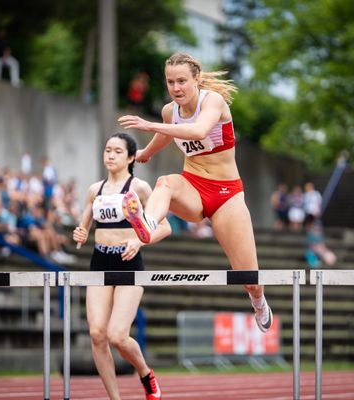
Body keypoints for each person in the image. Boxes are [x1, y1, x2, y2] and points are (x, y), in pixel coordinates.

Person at [117, 52, 274, 333]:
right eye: (170, 82)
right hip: (193, 188)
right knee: (166, 182)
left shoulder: (212, 101)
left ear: (196, 79)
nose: (176, 88)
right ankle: (147, 224)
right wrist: (144, 153)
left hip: (227, 195)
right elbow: (167, 135)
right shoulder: (170, 111)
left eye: (181, 81)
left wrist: (148, 124)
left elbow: (199, 131)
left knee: (249, 277)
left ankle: (258, 298)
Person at [72, 133, 171, 400]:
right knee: (97, 334)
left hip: (129, 262)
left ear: (130, 157)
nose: (111, 155)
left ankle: (145, 373)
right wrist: (80, 233)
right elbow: (83, 226)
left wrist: (138, 242)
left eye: (117, 151)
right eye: (107, 150)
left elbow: (164, 227)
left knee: (117, 335)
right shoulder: (95, 190)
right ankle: (115, 398)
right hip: (100, 261)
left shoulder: (139, 188)